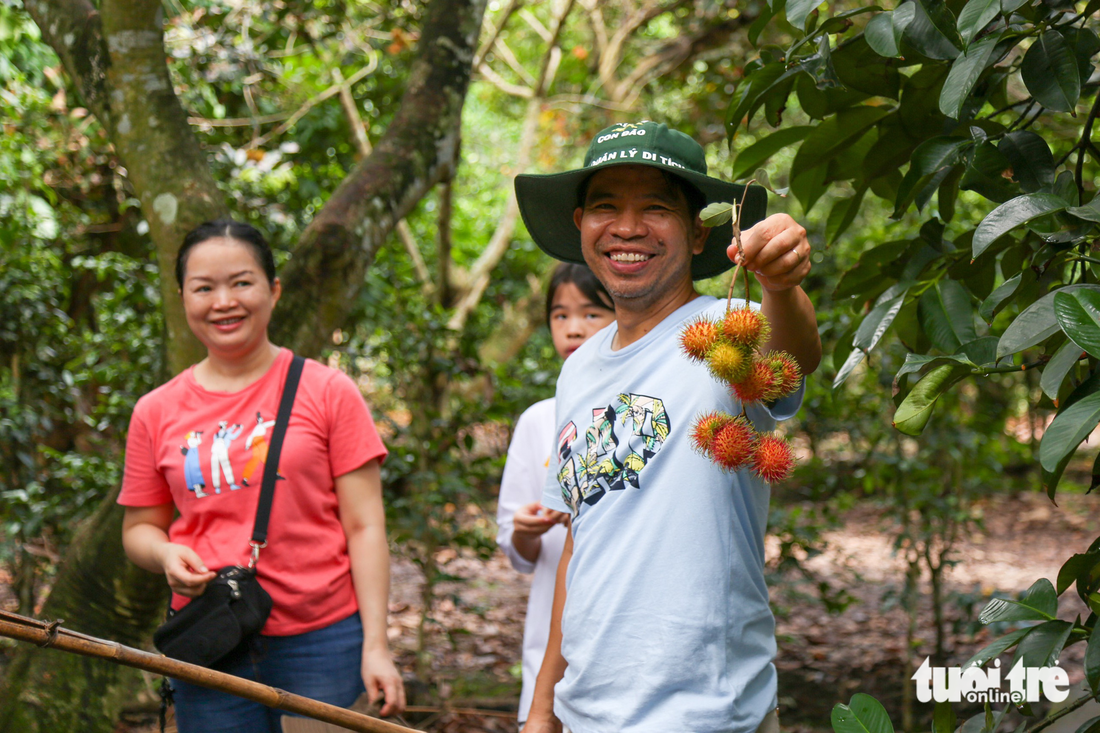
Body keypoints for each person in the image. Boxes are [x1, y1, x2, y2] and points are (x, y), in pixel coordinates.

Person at [512, 121, 822, 733]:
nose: (627, 228)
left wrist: (780, 285)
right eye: (606, 207)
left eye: (655, 208)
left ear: (697, 230)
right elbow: (581, 544)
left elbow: (791, 359)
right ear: (581, 225)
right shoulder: (577, 371)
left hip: (707, 716)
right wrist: (544, 705)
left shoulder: (729, 328)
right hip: (585, 713)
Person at [118, 219, 406, 733]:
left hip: (322, 640)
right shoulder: (155, 411)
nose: (223, 301)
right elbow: (139, 527)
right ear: (183, 297)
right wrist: (164, 554)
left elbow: (366, 527)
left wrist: (377, 646)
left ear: (273, 291)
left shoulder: (328, 391)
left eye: (241, 282)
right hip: (209, 637)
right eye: (204, 287)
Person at [496, 263, 616, 727]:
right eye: (560, 316)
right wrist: (526, 530)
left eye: (591, 314)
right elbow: (518, 551)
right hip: (551, 638)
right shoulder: (538, 421)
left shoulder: (644, 412)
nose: (573, 330)